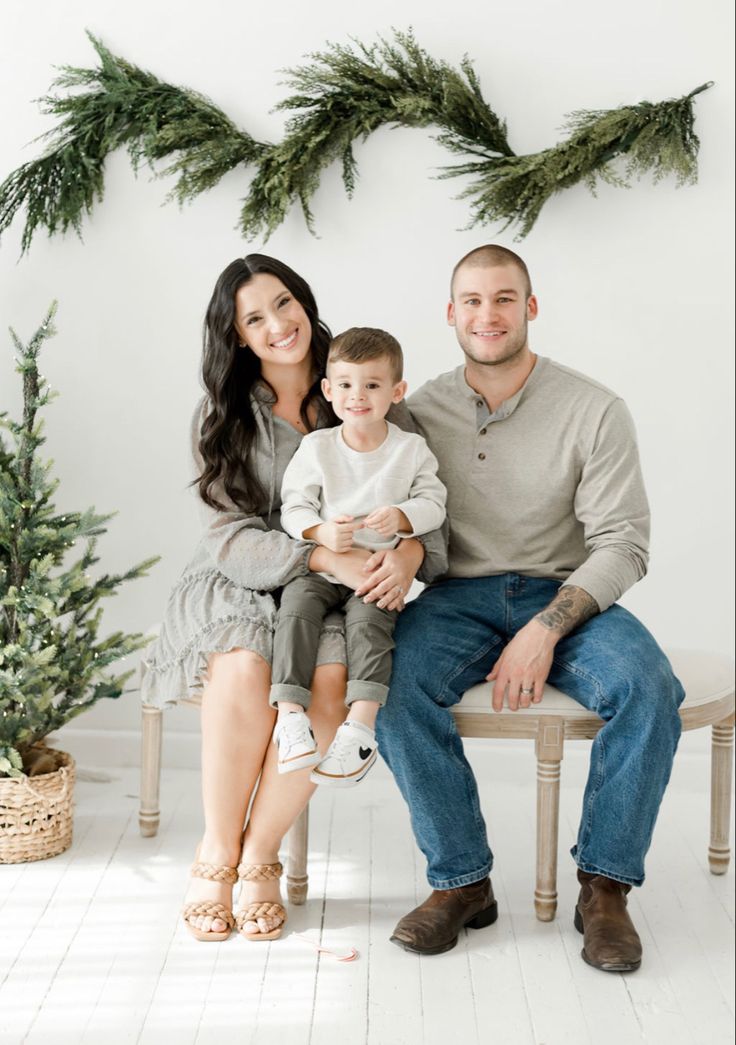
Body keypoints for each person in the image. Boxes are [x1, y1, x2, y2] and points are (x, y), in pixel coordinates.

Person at [377, 244, 685, 972]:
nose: (489, 315)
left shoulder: (595, 408)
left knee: (649, 686)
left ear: (531, 308)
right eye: (473, 301)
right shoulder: (416, 413)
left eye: (505, 298)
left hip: (567, 590)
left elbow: (624, 542)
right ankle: (462, 880)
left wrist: (548, 627)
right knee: (386, 681)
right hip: (456, 598)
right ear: (451, 314)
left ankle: (604, 887)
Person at [141, 255, 435, 943]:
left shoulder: (370, 387)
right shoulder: (223, 416)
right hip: (245, 575)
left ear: (304, 300)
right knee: (244, 667)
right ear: (237, 335)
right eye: (254, 317)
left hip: (345, 589)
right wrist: (318, 551)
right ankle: (218, 853)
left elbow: (427, 504)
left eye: (284, 302)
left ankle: (259, 852)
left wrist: (413, 551)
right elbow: (227, 535)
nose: (277, 324)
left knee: (331, 685)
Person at [271, 327, 447, 786]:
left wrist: (403, 517)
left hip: (374, 570)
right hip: (327, 562)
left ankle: (361, 728)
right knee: (295, 609)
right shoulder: (318, 448)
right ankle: (290, 716)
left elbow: (434, 503)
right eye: (346, 384)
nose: (358, 396)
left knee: (371, 625)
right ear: (328, 391)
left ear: (396, 391)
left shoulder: (410, 450)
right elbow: (293, 508)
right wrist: (321, 531)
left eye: (372, 385)